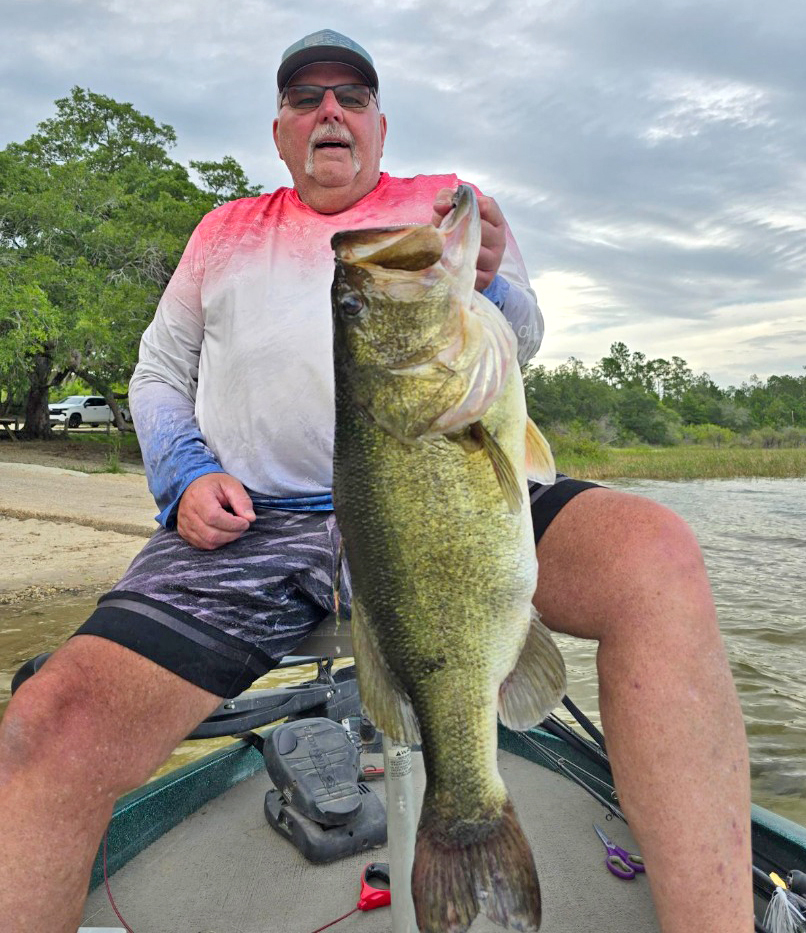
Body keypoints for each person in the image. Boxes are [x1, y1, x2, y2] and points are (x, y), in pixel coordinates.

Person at [0, 28, 752, 933]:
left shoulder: (443, 209)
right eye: (306, 96)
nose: (330, 109)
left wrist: (490, 283)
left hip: (451, 486)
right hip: (257, 524)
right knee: (48, 721)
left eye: (352, 96)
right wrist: (185, 474)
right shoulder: (222, 231)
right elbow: (159, 374)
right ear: (279, 131)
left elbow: (519, 330)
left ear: (380, 126)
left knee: (655, 552)